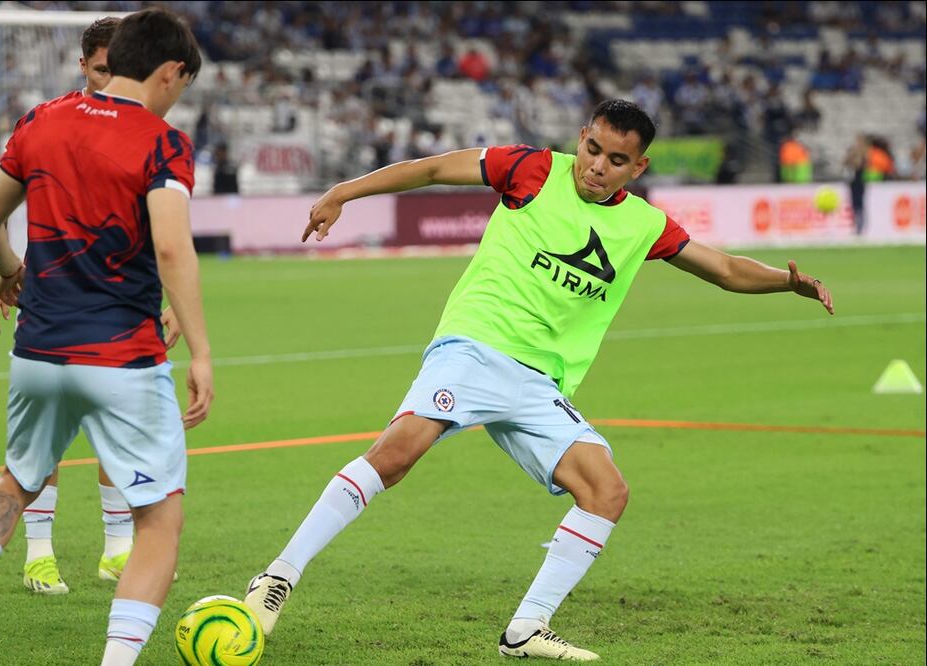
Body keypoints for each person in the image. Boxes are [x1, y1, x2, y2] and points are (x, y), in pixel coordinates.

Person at [244, 100, 833, 661]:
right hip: (476, 347)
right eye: (593, 149)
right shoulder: (531, 169)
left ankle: (527, 629)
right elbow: (432, 169)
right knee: (396, 455)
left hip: (541, 385)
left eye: (617, 160)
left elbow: (725, 268)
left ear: (639, 167)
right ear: (582, 137)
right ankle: (277, 578)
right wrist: (342, 192)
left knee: (606, 491)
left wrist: (787, 282)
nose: (597, 167)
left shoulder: (643, 224)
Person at [0, 8, 210, 666]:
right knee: (159, 519)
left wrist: (10, 273)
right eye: (183, 85)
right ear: (169, 72)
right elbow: (170, 246)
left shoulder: (41, 120)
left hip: (38, 350)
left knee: (16, 480)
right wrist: (203, 351)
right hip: (122, 356)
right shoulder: (162, 142)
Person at [0, 15, 173, 598]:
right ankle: (39, 554)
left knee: (117, 419)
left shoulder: (146, 127)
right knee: (46, 433)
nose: (111, 79)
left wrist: (167, 299)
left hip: (121, 299)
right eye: (102, 69)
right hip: (51, 294)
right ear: (83, 65)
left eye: (120, 68)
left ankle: (117, 549)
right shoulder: (48, 120)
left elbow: (156, 229)